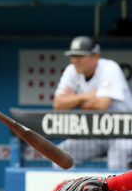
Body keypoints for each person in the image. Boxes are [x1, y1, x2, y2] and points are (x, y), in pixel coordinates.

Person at [53, 36, 132, 169]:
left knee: (116, 163)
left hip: (124, 133)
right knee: (59, 156)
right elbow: (58, 104)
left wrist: (73, 99)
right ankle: (73, 184)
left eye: (80, 56)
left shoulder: (110, 68)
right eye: (73, 56)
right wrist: (85, 97)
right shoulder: (72, 70)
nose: (75, 60)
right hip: (95, 132)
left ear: (95, 56)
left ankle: (115, 184)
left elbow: (101, 105)